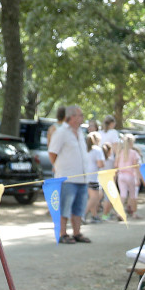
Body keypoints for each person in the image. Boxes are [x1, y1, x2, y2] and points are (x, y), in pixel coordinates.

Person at [48, 104, 94, 244]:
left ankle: (77, 232)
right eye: (80, 115)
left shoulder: (80, 132)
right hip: (67, 177)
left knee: (79, 207)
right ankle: (63, 234)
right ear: (72, 117)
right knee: (65, 206)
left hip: (82, 177)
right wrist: (59, 167)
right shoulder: (61, 132)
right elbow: (52, 152)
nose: (82, 118)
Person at [82, 131, 109, 223]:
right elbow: (100, 164)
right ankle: (83, 214)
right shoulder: (97, 150)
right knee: (95, 197)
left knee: (92, 196)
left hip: (85, 175)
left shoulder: (85, 149)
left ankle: (94, 215)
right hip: (93, 176)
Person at [114, 133, 143, 217]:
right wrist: (138, 178)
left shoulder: (120, 153)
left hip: (121, 175)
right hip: (130, 175)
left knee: (122, 194)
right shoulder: (133, 153)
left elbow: (116, 165)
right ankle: (134, 212)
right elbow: (136, 167)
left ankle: (119, 212)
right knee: (133, 194)